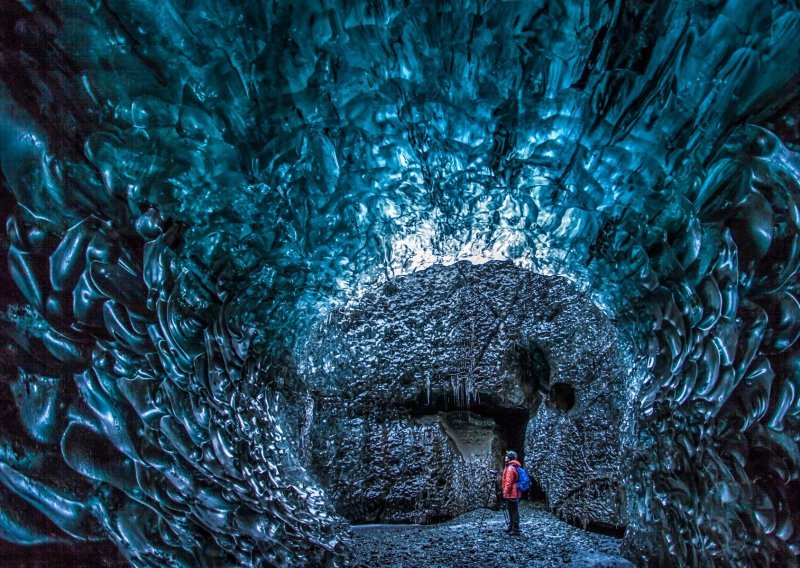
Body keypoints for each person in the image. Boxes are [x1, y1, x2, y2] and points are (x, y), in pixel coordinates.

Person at [502, 450, 522, 536]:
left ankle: (515, 529)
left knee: (513, 510)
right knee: (510, 509)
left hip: (512, 493)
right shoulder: (511, 466)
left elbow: (509, 482)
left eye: (507, 456)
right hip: (513, 492)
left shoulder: (510, 468)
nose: (505, 457)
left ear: (510, 458)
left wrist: (505, 492)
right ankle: (511, 527)